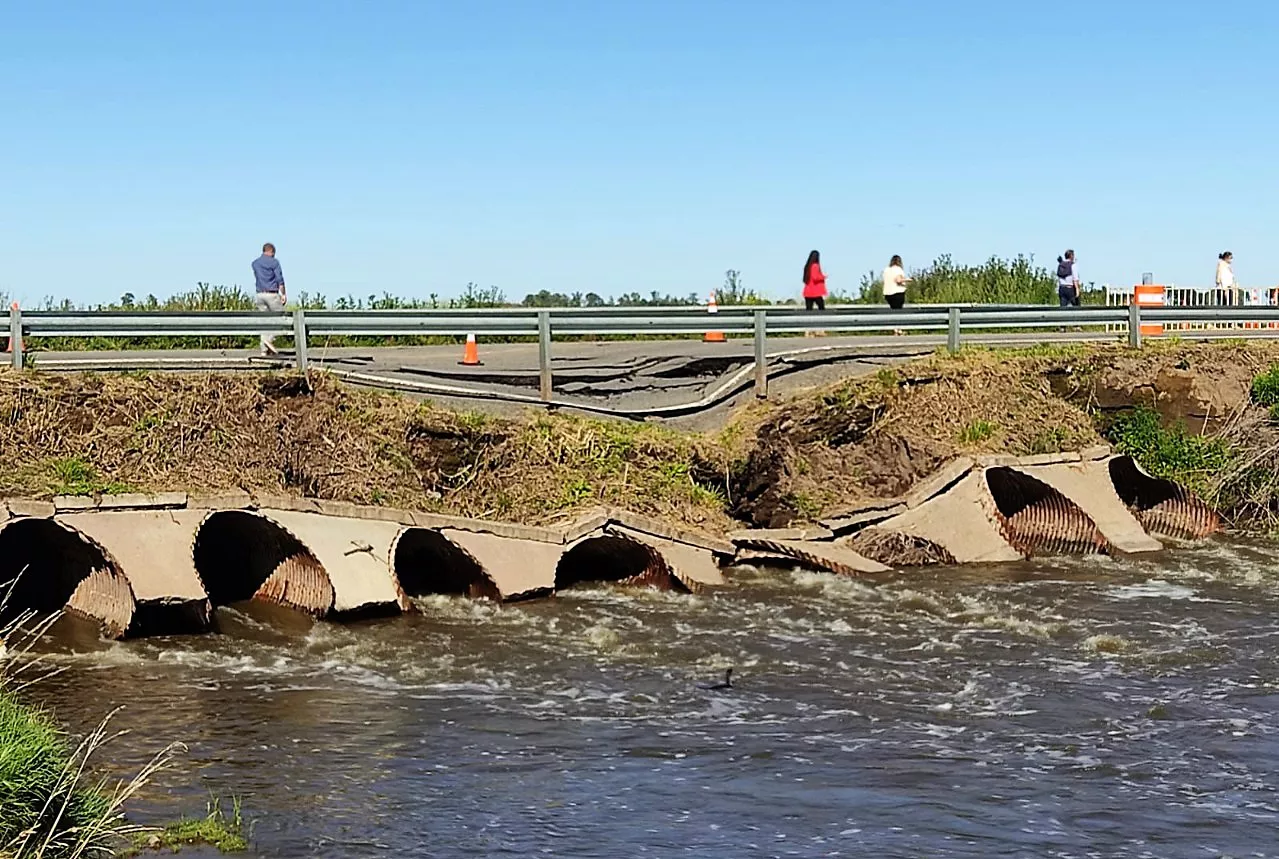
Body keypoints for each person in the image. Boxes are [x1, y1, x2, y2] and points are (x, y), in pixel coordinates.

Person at [251, 242, 287, 355]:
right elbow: (279, 279)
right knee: (282, 320)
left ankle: (264, 350)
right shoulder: (274, 262)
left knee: (264, 322)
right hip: (272, 294)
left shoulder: (255, 263)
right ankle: (269, 340)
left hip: (259, 295)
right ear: (271, 251)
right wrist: (283, 294)